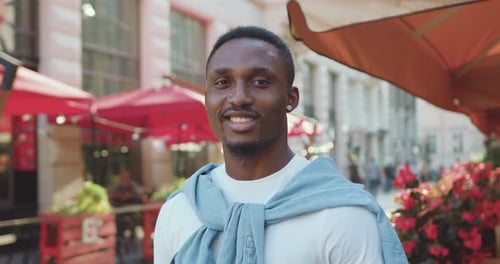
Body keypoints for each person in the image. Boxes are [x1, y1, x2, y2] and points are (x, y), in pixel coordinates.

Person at [154, 26, 406, 263]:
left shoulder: (343, 214)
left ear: (291, 99)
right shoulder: (178, 212)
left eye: (260, 82)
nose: (239, 97)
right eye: (222, 83)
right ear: (207, 97)